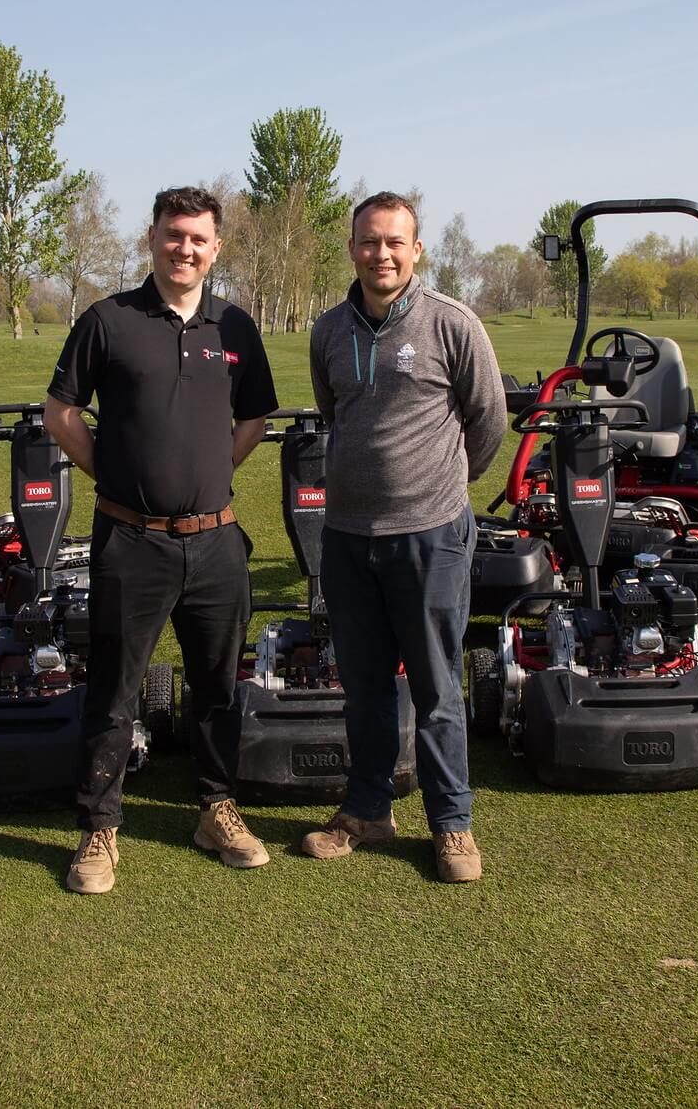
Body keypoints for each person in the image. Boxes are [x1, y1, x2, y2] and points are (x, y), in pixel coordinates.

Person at [44, 186, 277, 895]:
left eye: (199, 239)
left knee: (218, 688)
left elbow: (253, 420)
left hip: (215, 542)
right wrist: (113, 475)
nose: (185, 249)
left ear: (216, 248)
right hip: (130, 541)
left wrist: (211, 479)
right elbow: (60, 412)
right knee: (114, 692)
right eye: (174, 235)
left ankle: (216, 809)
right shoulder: (108, 320)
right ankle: (100, 827)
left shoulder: (234, 326)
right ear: (152, 238)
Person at [298, 191, 506, 883]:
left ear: (416, 250)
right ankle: (367, 811)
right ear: (352, 248)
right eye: (369, 241)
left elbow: (487, 421)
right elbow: (335, 412)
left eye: (394, 242)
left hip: (430, 537)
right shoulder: (329, 330)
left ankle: (452, 824)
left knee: (437, 686)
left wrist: (440, 487)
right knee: (362, 687)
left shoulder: (452, 323)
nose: (380, 254)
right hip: (348, 537)